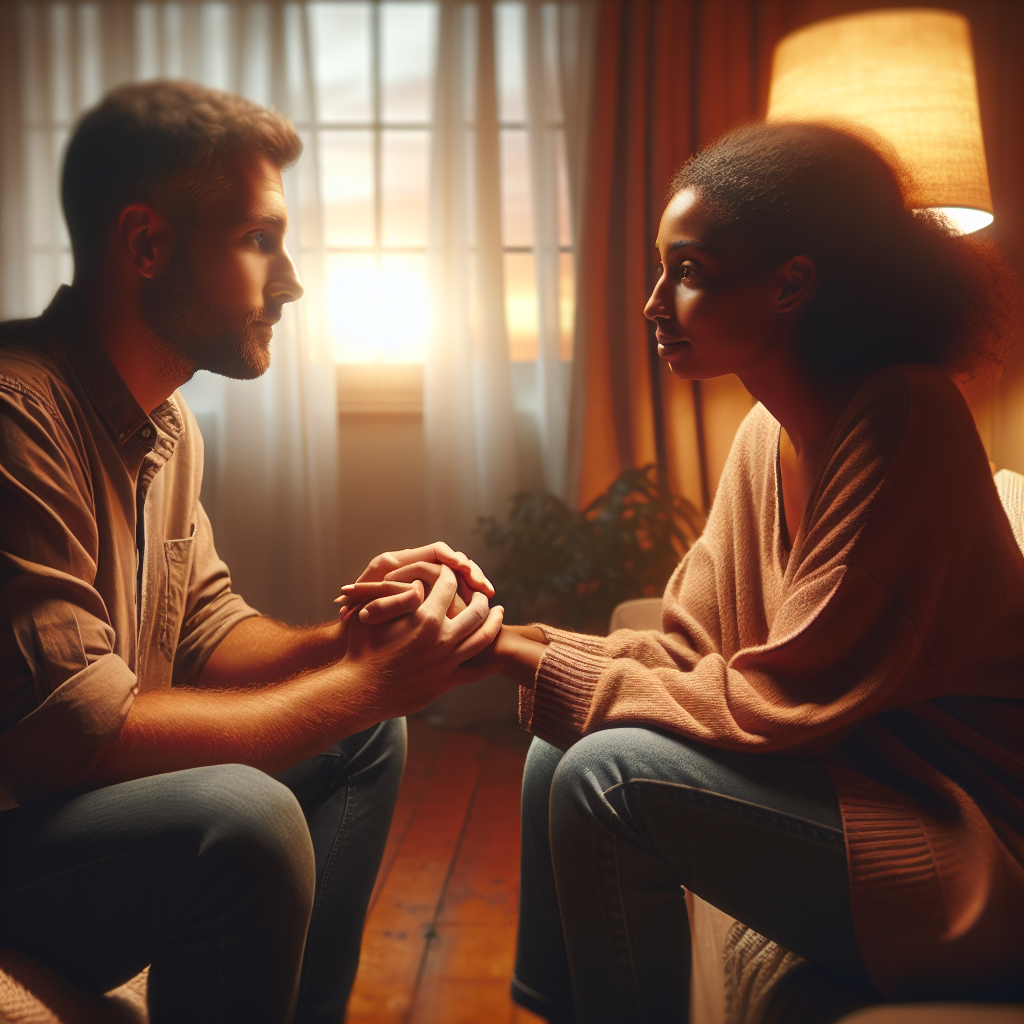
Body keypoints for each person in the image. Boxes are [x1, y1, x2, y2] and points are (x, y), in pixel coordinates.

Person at [348, 121, 1024, 1022]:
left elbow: (775, 703)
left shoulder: (904, 421)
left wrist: (518, 655)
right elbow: (684, 651)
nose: (654, 302)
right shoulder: (765, 435)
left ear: (791, 283)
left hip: (965, 846)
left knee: (610, 776)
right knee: (560, 750)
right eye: (662, 269)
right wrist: (497, 630)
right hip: (855, 789)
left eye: (690, 271)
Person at [0, 81, 500, 1024]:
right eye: (259, 239)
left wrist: (359, 635)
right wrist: (371, 682)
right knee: (246, 815)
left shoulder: (168, 424)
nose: (292, 278)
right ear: (146, 244)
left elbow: (210, 634)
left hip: (59, 819)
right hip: (18, 833)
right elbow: (68, 738)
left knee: (364, 737)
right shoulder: (14, 412)